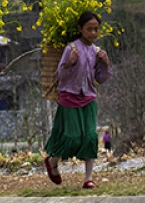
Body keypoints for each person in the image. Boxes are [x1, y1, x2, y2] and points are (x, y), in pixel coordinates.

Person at [44, 11, 112, 190]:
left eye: (96, 29)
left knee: (90, 137)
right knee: (71, 137)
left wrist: (105, 63)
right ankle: (52, 162)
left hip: (88, 97)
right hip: (69, 98)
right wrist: (69, 63)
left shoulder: (96, 51)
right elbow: (60, 75)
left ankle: (88, 179)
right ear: (80, 29)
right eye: (89, 29)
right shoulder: (71, 49)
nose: (93, 33)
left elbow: (100, 78)